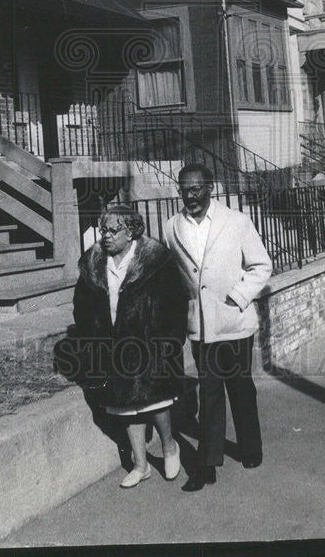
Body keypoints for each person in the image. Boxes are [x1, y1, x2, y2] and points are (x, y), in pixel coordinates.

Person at [162, 163, 273, 492]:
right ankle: (206, 465)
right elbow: (172, 276)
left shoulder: (236, 222)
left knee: (240, 388)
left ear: (210, 188)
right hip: (201, 326)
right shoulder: (171, 227)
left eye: (196, 189)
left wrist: (238, 297)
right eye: (184, 190)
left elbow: (261, 264)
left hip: (235, 323)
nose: (190, 196)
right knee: (210, 392)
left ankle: (251, 448)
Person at [72, 204, 187, 488]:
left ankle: (170, 446)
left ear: (132, 231)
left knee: (155, 399)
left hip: (150, 344)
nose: (107, 236)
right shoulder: (94, 262)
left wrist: (169, 340)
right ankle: (140, 464)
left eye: (114, 230)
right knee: (125, 405)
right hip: (114, 347)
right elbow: (82, 306)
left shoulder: (156, 260)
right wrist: (92, 338)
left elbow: (175, 302)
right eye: (104, 230)